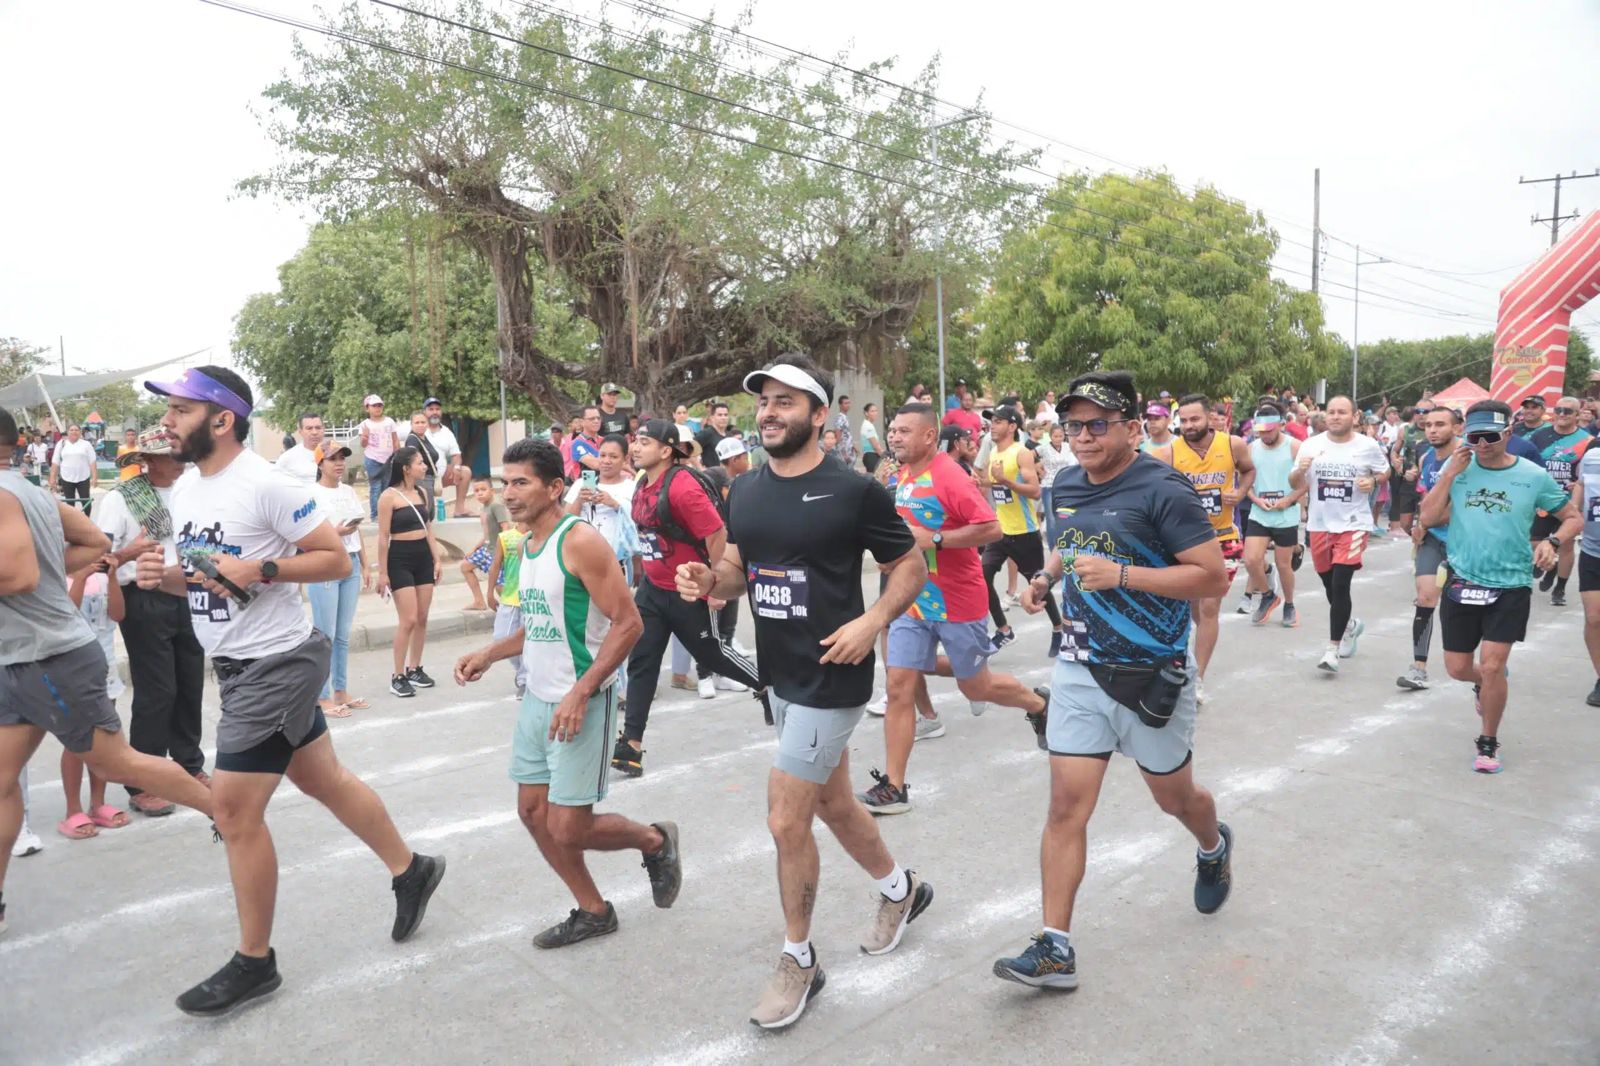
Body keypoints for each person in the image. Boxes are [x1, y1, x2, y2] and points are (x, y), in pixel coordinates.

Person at [135, 365, 444, 1014]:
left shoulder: (267, 484)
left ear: (222, 419)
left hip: (275, 662)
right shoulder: (187, 489)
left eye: (181, 410)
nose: (167, 421)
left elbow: (331, 559)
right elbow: (210, 575)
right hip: (239, 664)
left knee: (233, 812)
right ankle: (411, 868)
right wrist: (164, 577)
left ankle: (255, 962)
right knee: (321, 778)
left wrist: (262, 568)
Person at [674, 356, 934, 1030]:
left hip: (832, 676)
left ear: (819, 415)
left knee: (786, 819)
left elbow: (910, 564)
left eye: (786, 402)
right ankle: (901, 890)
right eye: (764, 402)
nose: (769, 412)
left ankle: (800, 959)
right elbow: (738, 568)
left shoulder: (854, 491)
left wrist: (873, 621)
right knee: (835, 803)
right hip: (780, 675)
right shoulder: (745, 490)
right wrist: (709, 580)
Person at [993, 369, 1232, 992]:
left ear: (1130, 427)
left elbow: (1212, 577)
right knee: (1066, 807)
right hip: (1079, 665)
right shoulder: (1065, 483)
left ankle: (1212, 846)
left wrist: (1124, 575)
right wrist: (1046, 578)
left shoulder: (1164, 489)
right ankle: (1055, 946)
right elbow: (1067, 544)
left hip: (1152, 671)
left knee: (1175, 799)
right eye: (1073, 425)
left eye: (1097, 424)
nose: (1083, 436)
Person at [453, 438, 680, 948]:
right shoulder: (526, 542)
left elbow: (629, 623)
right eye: (506, 483)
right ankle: (594, 910)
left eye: (522, 483)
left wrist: (581, 691)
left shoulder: (579, 541)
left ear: (556, 487)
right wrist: (491, 653)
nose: (509, 493)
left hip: (582, 701)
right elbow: (540, 622)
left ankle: (654, 840)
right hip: (539, 700)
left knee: (569, 828)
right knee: (533, 814)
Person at [2, 408, 217, 939]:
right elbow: (97, 547)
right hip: (38, 647)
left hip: (49, 655)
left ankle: (228, 812)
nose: (171, 461)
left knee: (132, 745)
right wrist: (64, 573)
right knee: (3, 782)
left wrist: (45, 575)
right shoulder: (53, 493)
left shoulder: (9, 494)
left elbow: (22, 575)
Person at [857, 403, 1050, 815]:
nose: (894, 436)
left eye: (904, 431)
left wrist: (935, 540)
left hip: (957, 602)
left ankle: (1039, 705)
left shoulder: (948, 476)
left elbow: (991, 528)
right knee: (898, 686)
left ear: (930, 436)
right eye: (893, 430)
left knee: (976, 687)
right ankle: (894, 787)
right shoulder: (903, 474)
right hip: (912, 601)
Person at [1418, 400, 1579, 773]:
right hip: (1461, 579)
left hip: (1511, 583)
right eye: (1475, 437)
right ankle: (1486, 685)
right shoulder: (1458, 468)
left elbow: (1572, 517)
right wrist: (1448, 475)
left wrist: (1552, 542)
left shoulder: (1532, 475)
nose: (1482, 445)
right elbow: (1428, 517)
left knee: (1492, 666)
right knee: (1458, 668)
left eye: (1490, 437)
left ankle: (1488, 741)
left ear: (1508, 433)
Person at [613, 421, 762, 776]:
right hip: (653, 589)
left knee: (713, 655)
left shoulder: (682, 487)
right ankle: (631, 744)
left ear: (666, 450)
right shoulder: (642, 482)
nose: (635, 447)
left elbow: (717, 535)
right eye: (635, 441)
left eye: (644, 442)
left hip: (688, 589)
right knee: (642, 660)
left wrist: (715, 585)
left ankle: (769, 685)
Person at [95, 427, 207, 816]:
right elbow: (100, 558)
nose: (180, 461)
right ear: (149, 460)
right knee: (157, 691)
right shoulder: (120, 499)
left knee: (190, 683)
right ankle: (145, 781)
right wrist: (131, 553)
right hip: (143, 597)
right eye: (171, 455)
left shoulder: (191, 492)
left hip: (188, 592)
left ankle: (189, 765)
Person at [1152, 394, 1255, 698]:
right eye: (1183, 420)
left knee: (1209, 606)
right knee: (1194, 608)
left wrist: (1240, 491)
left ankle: (1196, 679)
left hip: (1223, 538)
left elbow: (1248, 470)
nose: (1188, 425)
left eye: (1194, 419)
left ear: (1210, 417)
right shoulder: (1168, 454)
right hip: (1184, 543)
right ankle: (1190, 658)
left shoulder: (1233, 445)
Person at [1289, 396, 1391, 674]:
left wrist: (1373, 480)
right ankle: (1350, 625)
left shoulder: (1367, 446)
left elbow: (1385, 472)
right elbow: (1294, 482)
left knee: (1340, 583)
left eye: (1342, 412)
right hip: (1320, 524)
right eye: (1331, 412)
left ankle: (1332, 649)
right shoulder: (1311, 445)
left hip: (1354, 523)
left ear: (1354, 416)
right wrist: (1300, 470)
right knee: (1329, 583)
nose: (1335, 416)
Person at [976, 406, 1063, 656]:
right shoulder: (994, 452)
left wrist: (1005, 480)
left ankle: (1058, 628)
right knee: (982, 578)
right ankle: (1004, 630)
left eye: (998, 421)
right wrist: (982, 482)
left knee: (1038, 584)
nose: (992, 425)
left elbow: (1034, 492)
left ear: (1012, 426)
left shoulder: (1021, 453)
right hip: (1000, 531)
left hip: (1024, 532)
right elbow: (998, 487)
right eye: (991, 421)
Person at [55, 556, 131, 840]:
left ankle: (98, 803)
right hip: (72, 670)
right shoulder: (57, 579)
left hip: (104, 669)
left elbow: (118, 614)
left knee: (103, 738)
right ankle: (72, 809)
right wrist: (81, 577)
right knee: (76, 741)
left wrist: (111, 577)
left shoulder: (102, 578)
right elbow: (67, 615)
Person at [1397, 407, 1460, 691]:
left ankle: (1489, 661)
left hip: (1466, 540)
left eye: (1440, 424)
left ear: (1457, 428)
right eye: (1429, 425)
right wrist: (1420, 524)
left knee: (1465, 605)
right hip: (1434, 538)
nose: (1432, 430)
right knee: (1425, 598)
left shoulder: (1468, 459)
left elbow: (1460, 504)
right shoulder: (1427, 459)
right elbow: (1427, 497)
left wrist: (1429, 519)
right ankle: (1418, 668)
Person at [376, 446, 444, 698]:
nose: (424, 467)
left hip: (423, 556)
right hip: (400, 559)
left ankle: (414, 668)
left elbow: (428, 528)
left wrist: (437, 559)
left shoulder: (422, 492)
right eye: (419, 463)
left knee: (423, 617)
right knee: (409, 619)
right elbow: (383, 537)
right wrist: (383, 573)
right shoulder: (388, 497)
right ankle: (397, 676)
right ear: (406, 468)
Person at [308, 443, 370, 718]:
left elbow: (357, 531)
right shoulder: (311, 494)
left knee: (343, 635)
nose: (339, 463)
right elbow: (308, 535)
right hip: (325, 564)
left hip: (351, 562)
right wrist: (336, 533)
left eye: (342, 458)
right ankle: (321, 696)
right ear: (320, 464)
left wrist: (366, 565)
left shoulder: (348, 491)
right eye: (332, 458)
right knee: (325, 635)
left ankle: (341, 691)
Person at [1242, 401, 1304, 628]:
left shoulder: (1295, 447)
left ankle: (1289, 604)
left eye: (1269, 431)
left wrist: (1289, 500)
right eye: (1260, 432)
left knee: (1283, 564)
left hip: (1285, 514)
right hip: (1260, 512)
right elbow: (1244, 481)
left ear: (1280, 425)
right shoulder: (1251, 448)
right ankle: (1268, 595)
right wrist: (1256, 499)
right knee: (1251, 559)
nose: (1264, 436)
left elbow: (1307, 482)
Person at [1529, 396, 1591, 606]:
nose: (1562, 414)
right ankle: (1552, 565)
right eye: (1559, 410)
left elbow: (1591, 471)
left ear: (1577, 415)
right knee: (1534, 541)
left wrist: (1580, 485)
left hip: (1571, 501)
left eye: (1568, 411)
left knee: (1566, 545)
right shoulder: (1539, 436)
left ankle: (1560, 588)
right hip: (1543, 500)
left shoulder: (1587, 440)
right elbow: (1529, 463)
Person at [486, 514, 532, 699]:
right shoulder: (505, 537)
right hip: (510, 596)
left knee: (528, 642)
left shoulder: (538, 536)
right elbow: (496, 565)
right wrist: (490, 592)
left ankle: (524, 680)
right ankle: (521, 671)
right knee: (502, 637)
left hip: (531, 598)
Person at [460, 477, 511, 611]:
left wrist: (503, 551)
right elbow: (487, 534)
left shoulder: (496, 506)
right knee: (465, 566)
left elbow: (505, 528)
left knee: (499, 585)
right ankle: (479, 602)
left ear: (492, 491)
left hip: (496, 552)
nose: (480, 493)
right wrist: (474, 549)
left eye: (483, 489)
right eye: (476, 491)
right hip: (486, 549)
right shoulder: (484, 508)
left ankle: (511, 609)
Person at [1386, 403, 1433, 539]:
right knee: (1405, 525)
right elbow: (1395, 451)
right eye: (1418, 411)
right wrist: (1395, 462)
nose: (1421, 414)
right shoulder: (1405, 430)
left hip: (1429, 482)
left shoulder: (1436, 431)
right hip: (1409, 480)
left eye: (1425, 411)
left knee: (1425, 523)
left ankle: (1422, 547)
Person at [1577, 441, 1600, 706]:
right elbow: (1581, 487)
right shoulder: (1592, 456)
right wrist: (1571, 514)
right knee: (1594, 618)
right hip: (1593, 551)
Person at [421, 398, 468, 518]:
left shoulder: (447, 432)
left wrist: (456, 467)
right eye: (431, 409)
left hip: (441, 475)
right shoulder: (418, 428)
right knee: (427, 513)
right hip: (422, 476)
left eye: (437, 409)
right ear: (424, 412)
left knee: (465, 472)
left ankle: (459, 510)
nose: (435, 412)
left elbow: (456, 454)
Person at [358, 395, 401, 519]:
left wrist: (398, 456)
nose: (377, 408)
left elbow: (395, 440)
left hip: (388, 459)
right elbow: (363, 444)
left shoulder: (389, 421)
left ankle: (387, 514)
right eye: (374, 406)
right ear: (367, 408)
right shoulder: (365, 424)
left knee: (387, 487)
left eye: (379, 405)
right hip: (372, 459)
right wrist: (365, 436)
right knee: (376, 488)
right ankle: (375, 515)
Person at [49, 423, 98, 515]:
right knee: (70, 503)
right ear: (67, 432)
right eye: (71, 430)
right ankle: (73, 521)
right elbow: (55, 462)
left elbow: (92, 462)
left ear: (80, 432)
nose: (74, 432)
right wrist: (52, 478)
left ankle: (86, 520)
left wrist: (94, 478)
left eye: (76, 430)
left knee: (85, 501)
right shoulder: (61, 444)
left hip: (83, 477)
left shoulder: (86, 444)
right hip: (66, 477)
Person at [1036, 421, 1078, 521]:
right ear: (1050, 436)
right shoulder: (1044, 448)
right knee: (1051, 516)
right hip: (1049, 485)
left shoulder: (1068, 446)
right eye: (1055, 436)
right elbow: (1029, 455)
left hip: (1065, 484)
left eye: (1060, 436)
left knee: (1065, 515)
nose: (1058, 439)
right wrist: (1039, 470)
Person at [403, 411, 443, 501]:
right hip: (422, 479)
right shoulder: (413, 440)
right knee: (426, 506)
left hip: (429, 478)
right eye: (417, 423)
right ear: (411, 425)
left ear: (427, 424)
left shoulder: (423, 438)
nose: (420, 425)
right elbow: (412, 460)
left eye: (423, 422)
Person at [275, 413, 325, 484]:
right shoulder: (287, 458)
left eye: (318, 428)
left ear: (323, 429)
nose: (314, 432)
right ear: (300, 431)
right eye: (309, 428)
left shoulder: (335, 453)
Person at [566, 405, 603, 482]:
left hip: (605, 484)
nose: (596, 421)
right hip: (586, 486)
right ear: (582, 422)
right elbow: (596, 465)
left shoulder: (605, 441)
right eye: (592, 419)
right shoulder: (577, 443)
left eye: (598, 418)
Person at [696, 401, 733, 467]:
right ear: (712, 418)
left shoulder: (730, 436)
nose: (723, 418)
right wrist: (700, 468)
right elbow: (689, 450)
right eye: (720, 415)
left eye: (726, 415)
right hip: (711, 472)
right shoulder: (706, 433)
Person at [829, 395, 857, 468]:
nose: (848, 405)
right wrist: (844, 453)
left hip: (849, 450)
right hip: (844, 452)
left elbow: (847, 434)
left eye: (849, 403)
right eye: (845, 403)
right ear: (840, 405)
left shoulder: (845, 417)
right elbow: (838, 435)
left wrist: (853, 446)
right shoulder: (839, 418)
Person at [859, 401, 883, 474]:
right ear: (866, 413)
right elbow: (875, 446)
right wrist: (884, 456)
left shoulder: (869, 425)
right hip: (871, 456)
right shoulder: (868, 426)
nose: (875, 413)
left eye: (876, 411)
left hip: (871, 456)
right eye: (872, 411)